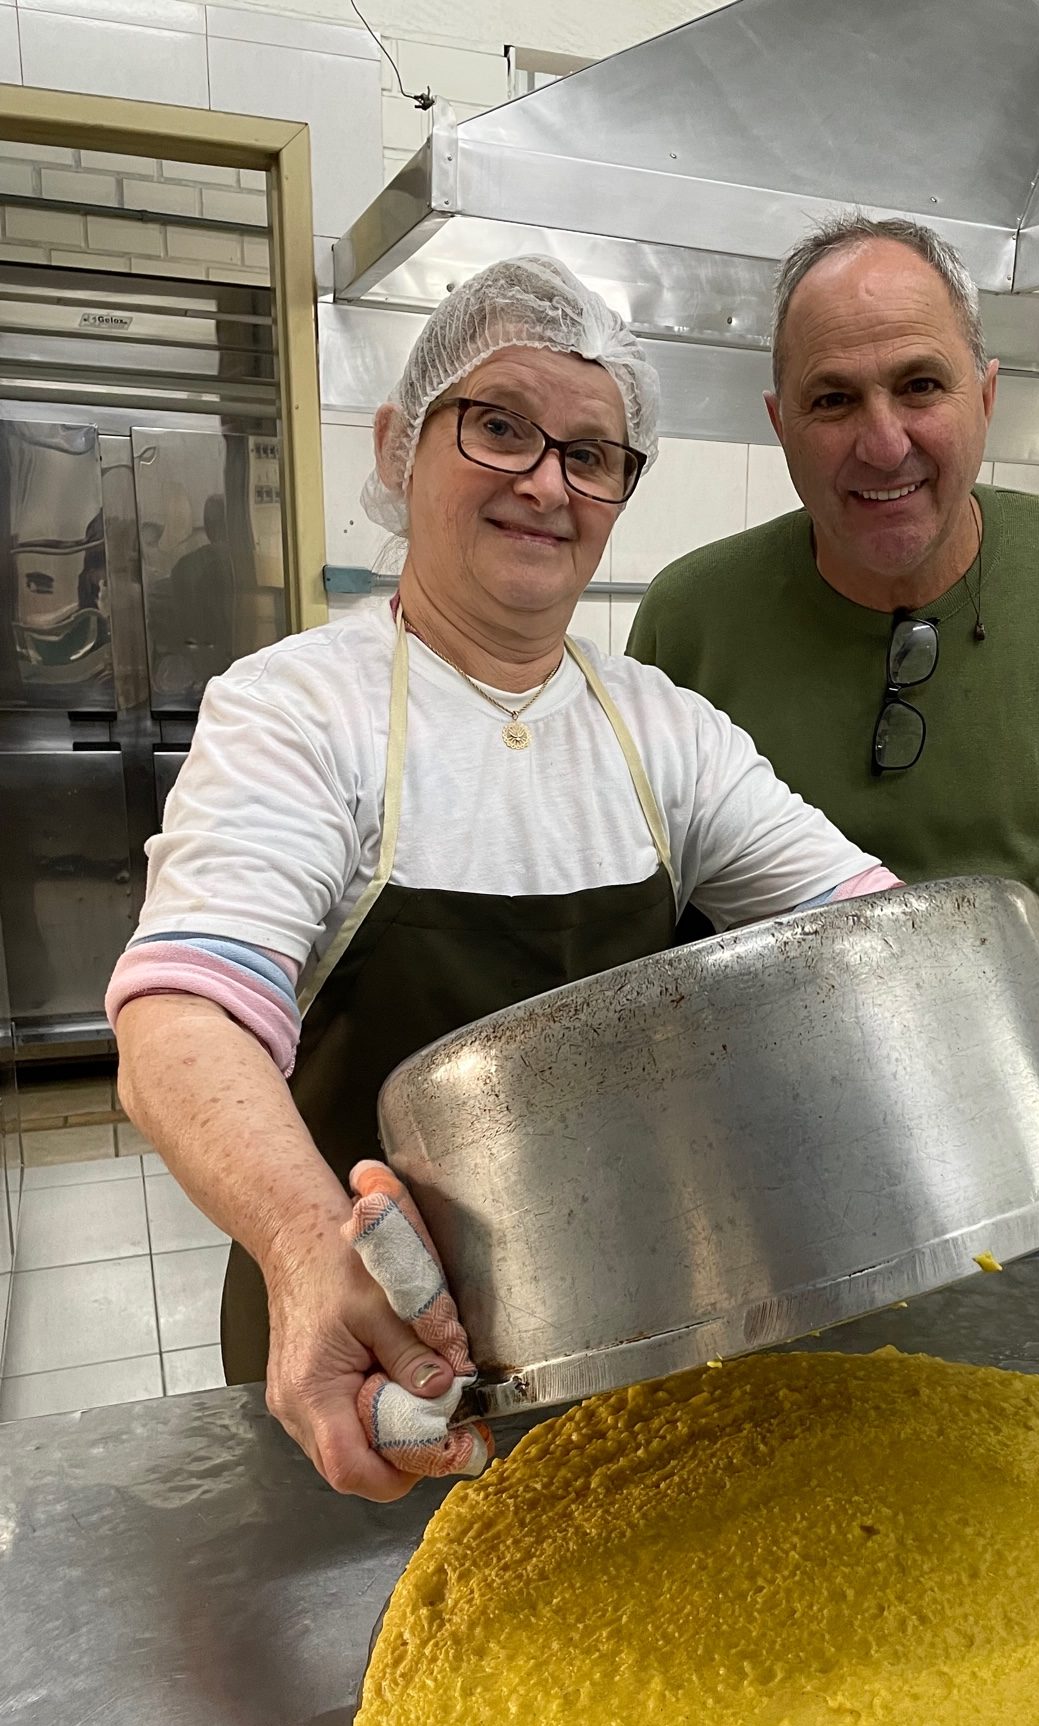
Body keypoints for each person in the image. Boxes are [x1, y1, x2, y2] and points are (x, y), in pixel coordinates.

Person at [108, 256, 902, 1503]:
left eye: (593, 455)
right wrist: (311, 1251)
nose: (549, 483)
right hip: (367, 1365)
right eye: (500, 428)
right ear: (398, 446)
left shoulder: (663, 732)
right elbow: (184, 1015)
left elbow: (872, 931)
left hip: (621, 1350)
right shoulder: (297, 710)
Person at [629, 216, 1039, 1240]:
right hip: (772, 1210)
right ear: (779, 424)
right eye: (833, 399)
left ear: (986, 396)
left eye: (920, 385)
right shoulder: (692, 622)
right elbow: (647, 966)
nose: (884, 440)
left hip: (1038, 1186)